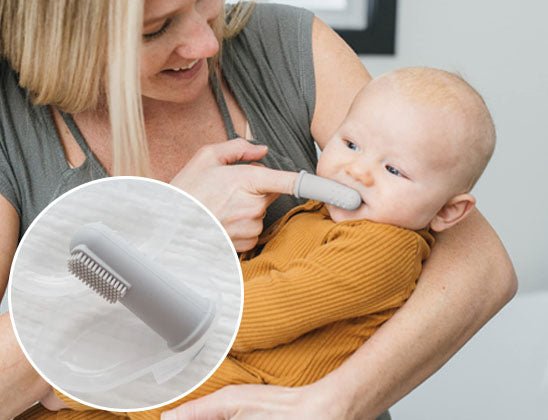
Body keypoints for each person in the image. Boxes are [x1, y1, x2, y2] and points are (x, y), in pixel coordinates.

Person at [0, 0, 516, 419]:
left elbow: (480, 263)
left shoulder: (287, 47)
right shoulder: (12, 120)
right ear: (57, 28)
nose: (205, 41)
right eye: (155, 28)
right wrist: (175, 226)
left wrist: (335, 403)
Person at [44, 67, 494, 420]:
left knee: (128, 377)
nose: (356, 172)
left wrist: (164, 310)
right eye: (351, 143)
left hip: (261, 388)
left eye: (394, 170)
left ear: (447, 212)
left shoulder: (384, 249)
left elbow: (267, 313)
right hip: (237, 362)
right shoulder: (315, 215)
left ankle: (62, 385)